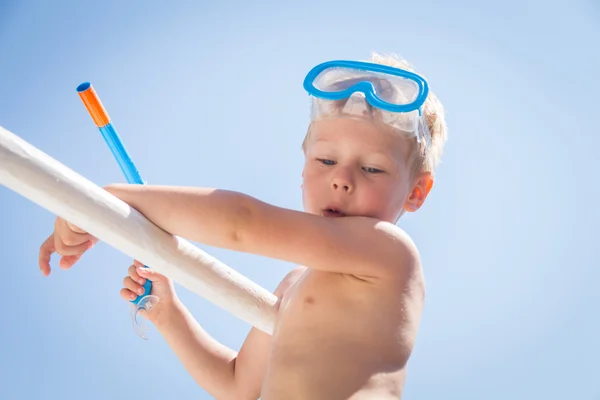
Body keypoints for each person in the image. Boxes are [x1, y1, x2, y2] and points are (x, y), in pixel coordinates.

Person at [38, 53, 448, 399]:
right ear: (303, 169)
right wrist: (168, 314)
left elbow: (242, 224)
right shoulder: (294, 284)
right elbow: (239, 386)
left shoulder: (389, 253)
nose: (342, 178)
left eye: (372, 168)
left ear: (416, 192)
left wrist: (109, 199)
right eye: (325, 161)